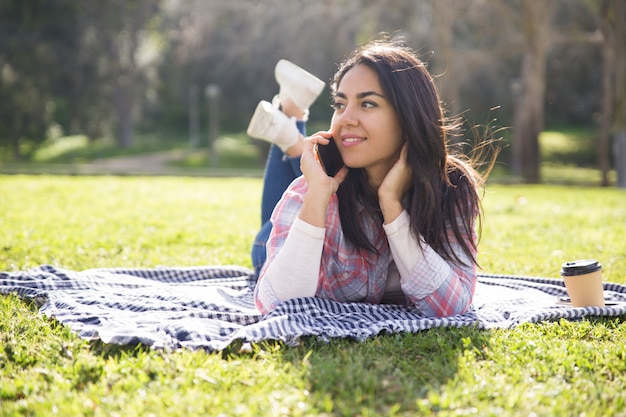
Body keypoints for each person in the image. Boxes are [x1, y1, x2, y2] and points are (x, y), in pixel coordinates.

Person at [248, 39, 491, 318]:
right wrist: (316, 195)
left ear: (409, 115)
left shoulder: (451, 189)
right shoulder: (309, 190)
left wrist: (392, 206)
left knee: (298, 172)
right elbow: (276, 304)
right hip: (283, 235)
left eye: (368, 104)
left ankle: (290, 129)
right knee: (263, 245)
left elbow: (452, 307)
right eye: (340, 104)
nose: (346, 118)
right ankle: (290, 126)